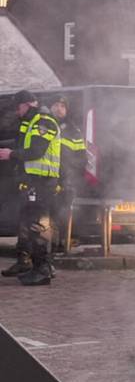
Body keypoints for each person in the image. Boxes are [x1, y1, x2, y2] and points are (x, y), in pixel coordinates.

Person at [0, 90, 61, 285]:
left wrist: (11, 155)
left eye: (18, 108)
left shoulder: (44, 121)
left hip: (43, 181)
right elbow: (22, 144)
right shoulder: (32, 121)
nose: (17, 113)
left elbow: (35, 151)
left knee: (37, 224)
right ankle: (40, 266)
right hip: (35, 180)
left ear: (26, 104)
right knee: (30, 221)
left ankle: (42, 270)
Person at [50, 94, 84, 254]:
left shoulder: (72, 130)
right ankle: (49, 245)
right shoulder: (44, 125)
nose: (59, 108)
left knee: (63, 212)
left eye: (62, 106)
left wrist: (70, 174)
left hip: (65, 179)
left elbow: (81, 156)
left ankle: (62, 243)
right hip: (47, 176)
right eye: (56, 105)